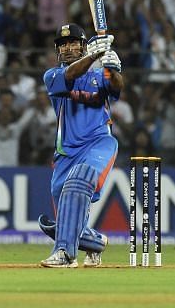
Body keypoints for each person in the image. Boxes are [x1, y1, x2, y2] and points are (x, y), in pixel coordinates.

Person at [38, 23, 124, 268]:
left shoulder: (98, 76)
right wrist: (95, 55)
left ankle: (65, 254)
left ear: (83, 44)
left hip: (99, 143)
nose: (67, 47)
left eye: (73, 42)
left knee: (78, 181)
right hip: (65, 153)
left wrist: (112, 65)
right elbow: (70, 75)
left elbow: (116, 85)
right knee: (67, 219)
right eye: (62, 44)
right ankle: (95, 243)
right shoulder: (52, 76)